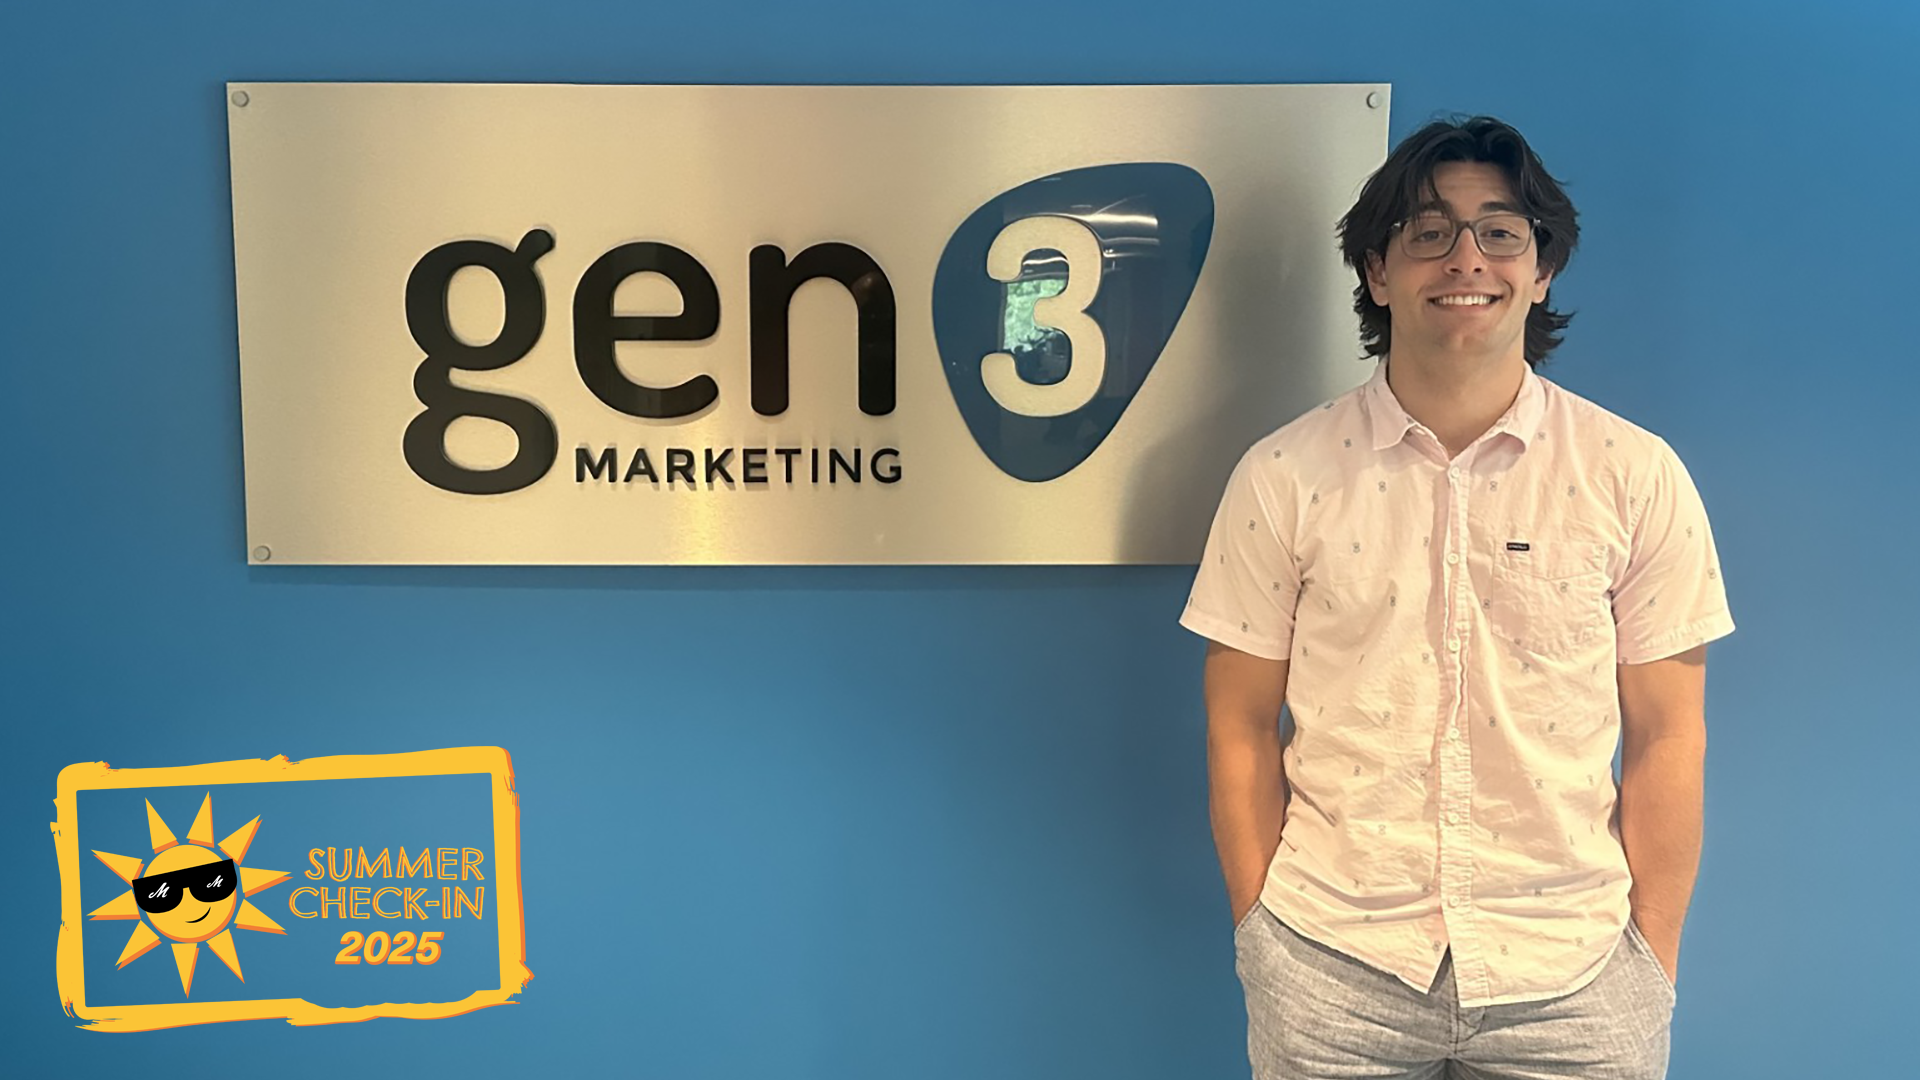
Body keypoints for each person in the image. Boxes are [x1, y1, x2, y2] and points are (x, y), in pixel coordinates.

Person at [1179, 116, 1734, 1079]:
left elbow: (1668, 735)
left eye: (1501, 231)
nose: (1466, 258)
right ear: (1376, 270)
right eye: (1428, 231)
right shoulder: (1282, 476)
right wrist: (1260, 931)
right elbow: (1237, 722)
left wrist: (1651, 958)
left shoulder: (1636, 476)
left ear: (1543, 267)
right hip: (1331, 965)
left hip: (1576, 976)